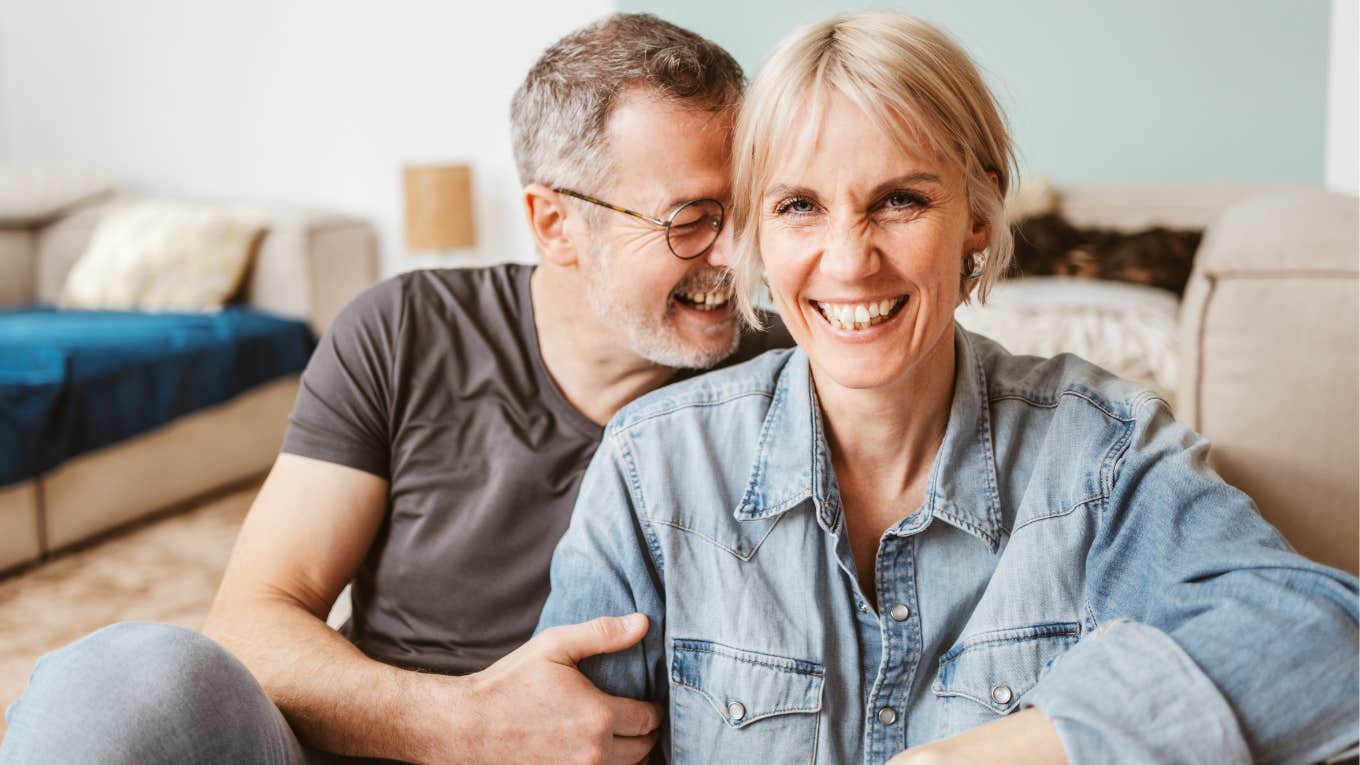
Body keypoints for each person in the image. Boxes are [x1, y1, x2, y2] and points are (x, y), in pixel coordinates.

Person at [536, 11, 1360, 765]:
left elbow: (1328, 643)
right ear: (756, 229)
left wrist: (984, 755)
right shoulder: (654, 467)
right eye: (800, 206)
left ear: (977, 214)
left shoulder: (1100, 452)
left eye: (899, 200)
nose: (849, 260)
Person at [0, 14, 791, 765]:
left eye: (747, 210)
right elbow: (251, 622)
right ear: (554, 223)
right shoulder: (405, 328)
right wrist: (467, 723)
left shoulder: (787, 372)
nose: (736, 254)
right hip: (373, 741)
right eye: (692, 218)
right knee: (116, 679)